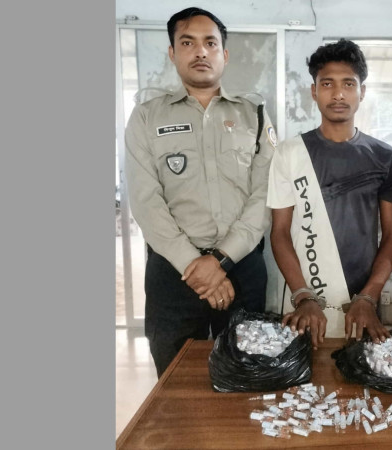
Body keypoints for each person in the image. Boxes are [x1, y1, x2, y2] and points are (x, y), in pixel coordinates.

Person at [125, 7, 276, 376]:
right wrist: (194, 266)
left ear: (224, 54)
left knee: (246, 372)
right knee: (176, 380)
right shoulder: (146, 117)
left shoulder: (254, 115)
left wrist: (220, 261)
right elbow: (145, 201)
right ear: (172, 53)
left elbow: (265, 196)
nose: (200, 52)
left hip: (242, 266)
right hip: (173, 271)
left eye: (210, 43)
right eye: (188, 43)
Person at [267, 39, 392, 349]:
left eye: (348, 84)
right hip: (304, 304)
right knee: (304, 375)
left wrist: (369, 296)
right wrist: (303, 296)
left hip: (363, 305)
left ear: (362, 92)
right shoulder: (289, 153)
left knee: (358, 376)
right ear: (314, 91)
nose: (338, 94)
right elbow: (280, 232)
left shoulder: (383, 156)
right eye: (327, 83)